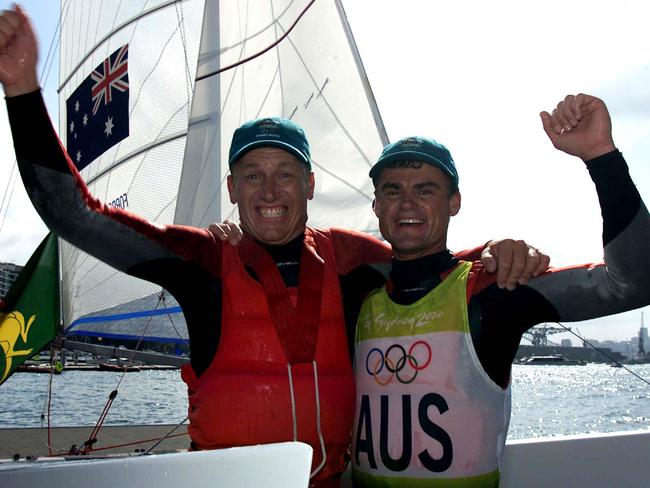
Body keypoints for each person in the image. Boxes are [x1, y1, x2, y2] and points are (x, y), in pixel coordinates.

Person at [0, 6, 548, 487]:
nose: (270, 191)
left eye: (286, 174)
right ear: (232, 188)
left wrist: (492, 250)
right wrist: (23, 88)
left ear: (309, 185)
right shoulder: (203, 262)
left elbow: (427, 257)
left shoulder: (349, 257)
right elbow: (74, 214)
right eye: (254, 175)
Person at [350, 94, 650, 487]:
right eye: (393, 191)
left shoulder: (495, 292)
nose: (407, 203)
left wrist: (602, 157)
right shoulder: (355, 290)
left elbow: (633, 284)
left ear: (454, 202)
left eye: (425, 190)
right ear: (375, 204)